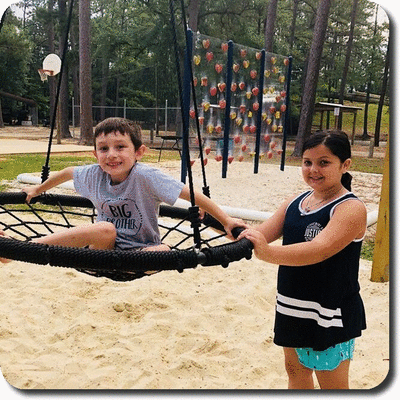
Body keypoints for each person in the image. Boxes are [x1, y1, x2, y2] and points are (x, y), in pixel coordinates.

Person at [1, 117, 246, 266]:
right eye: (103, 149)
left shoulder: (146, 176)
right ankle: (23, 249)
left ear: (139, 152)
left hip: (141, 255)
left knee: (165, 251)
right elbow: (67, 172)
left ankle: (127, 265)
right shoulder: (94, 174)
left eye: (120, 147)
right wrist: (38, 188)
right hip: (103, 253)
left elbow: (194, 195)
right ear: (95, 154)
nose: (112, 155)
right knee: (105, 228)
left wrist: (226, 221)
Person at [237, 130, 367, 389]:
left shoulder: (351, 208)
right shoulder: (295, 202)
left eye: (324, 162)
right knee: (296, 374)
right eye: (307, 162)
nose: (313, 169)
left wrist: (268, 253)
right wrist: (219, 220)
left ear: (345, 165)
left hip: (330, 311)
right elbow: (259, 235)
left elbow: (320, 249)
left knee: (333, 385)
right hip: (292, 305)